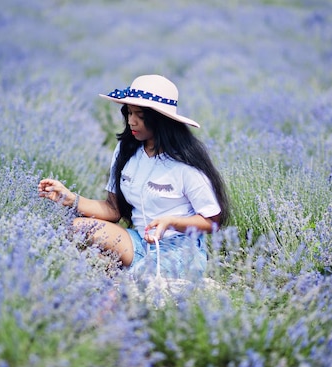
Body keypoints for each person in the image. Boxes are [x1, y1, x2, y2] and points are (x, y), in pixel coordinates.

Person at [38, 74, 230, 278]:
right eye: (128, 113)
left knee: (135, 281)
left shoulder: (185, 165)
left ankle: (120, 281)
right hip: (138, 242)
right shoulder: (126, 150)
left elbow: (212, 222)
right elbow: (113, 210)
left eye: (139, 115)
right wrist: (70, 199)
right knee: (76, 228)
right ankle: (110, 277)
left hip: (180, 250)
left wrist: (171, 222)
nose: (131, 121)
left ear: (160, 119)